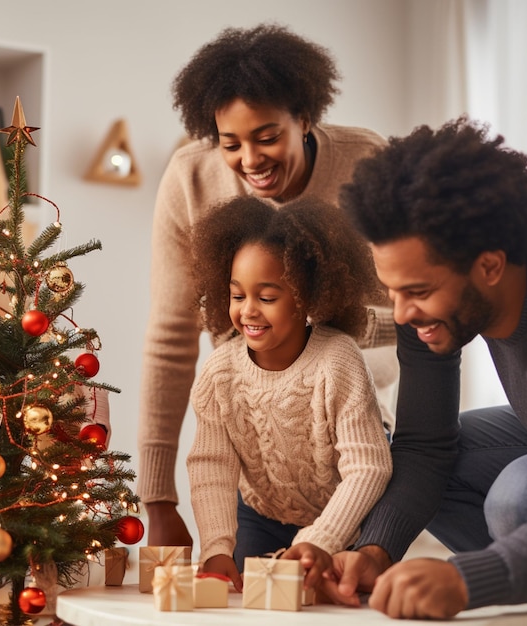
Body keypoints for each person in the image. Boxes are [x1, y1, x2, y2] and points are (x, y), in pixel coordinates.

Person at [307, 116, 527, 623]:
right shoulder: (431, 299)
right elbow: (425, 444)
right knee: (444, 457)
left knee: (519, 493)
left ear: (490, 266)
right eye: (393, 291)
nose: (404, 314)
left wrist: (463, 579)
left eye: (417, 292)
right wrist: (376, 552)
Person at [137, 23, 398, 547]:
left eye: (267, 137)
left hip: (353, 421)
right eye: (230, 143)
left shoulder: (368, 164)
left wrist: (335, 324)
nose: (250, 161)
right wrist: (158, 498)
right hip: (255, 445)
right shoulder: (191, 178)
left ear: (304, 118)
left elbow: (419, 306)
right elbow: (170, 340)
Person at [185, 195, 393, 592]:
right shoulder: (219, 373)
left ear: (307, 298)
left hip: (349, 513)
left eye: (266, 298)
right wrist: (215, 546)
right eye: (236, 295)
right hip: (263, 513)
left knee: (333, 606)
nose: (248, 311)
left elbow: (369, 467)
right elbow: (211, 465)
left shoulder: (338, 361)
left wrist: (324, 538)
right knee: (250, 602)